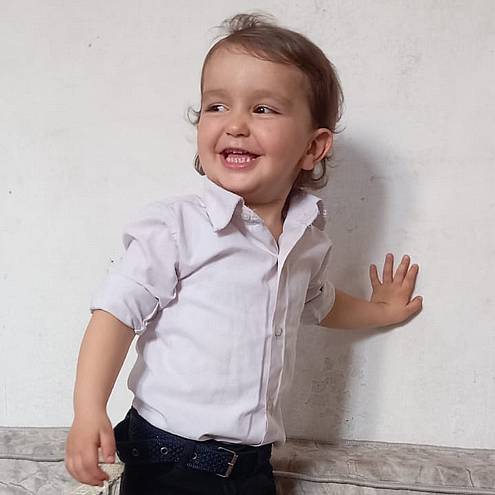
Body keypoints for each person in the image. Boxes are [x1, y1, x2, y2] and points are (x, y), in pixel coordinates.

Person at [65, 12, 423, 495]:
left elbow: (321, 303)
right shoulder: (176, 227)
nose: (234, 124)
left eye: (263, 109)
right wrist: (89, 409)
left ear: (313, 147)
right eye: (216, 106)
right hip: (168, 458)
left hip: (252, 466)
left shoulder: (307, 241)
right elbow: (115, 313)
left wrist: (382, 310)